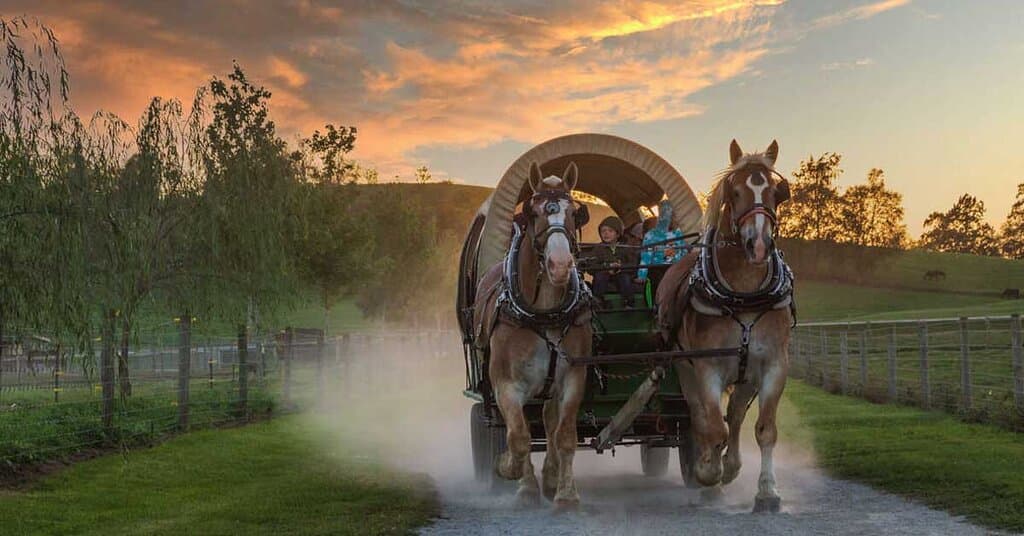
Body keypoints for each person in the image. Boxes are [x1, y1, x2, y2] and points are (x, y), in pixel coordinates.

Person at [586, 216, 637, 308]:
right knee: (600, 277)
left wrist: (621, 267)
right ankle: (598, 301)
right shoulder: (598, 249)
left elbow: (633, 264)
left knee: (625, 278)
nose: (606, 234)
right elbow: (591, 266)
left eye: (610, 231)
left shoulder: (626, 248)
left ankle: (628, 302)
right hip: (604, 274)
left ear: (618, 234)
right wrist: (607, 267)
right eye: (603, 231)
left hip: (621, 273)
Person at [638, 200, 688, 290]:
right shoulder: (651, 235)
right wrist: (642, 275)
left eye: (672, 214)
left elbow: (684, 252)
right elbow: (646, 257)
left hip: (676, 268)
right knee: (658, 281)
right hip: (658, 269)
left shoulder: (679, 233)